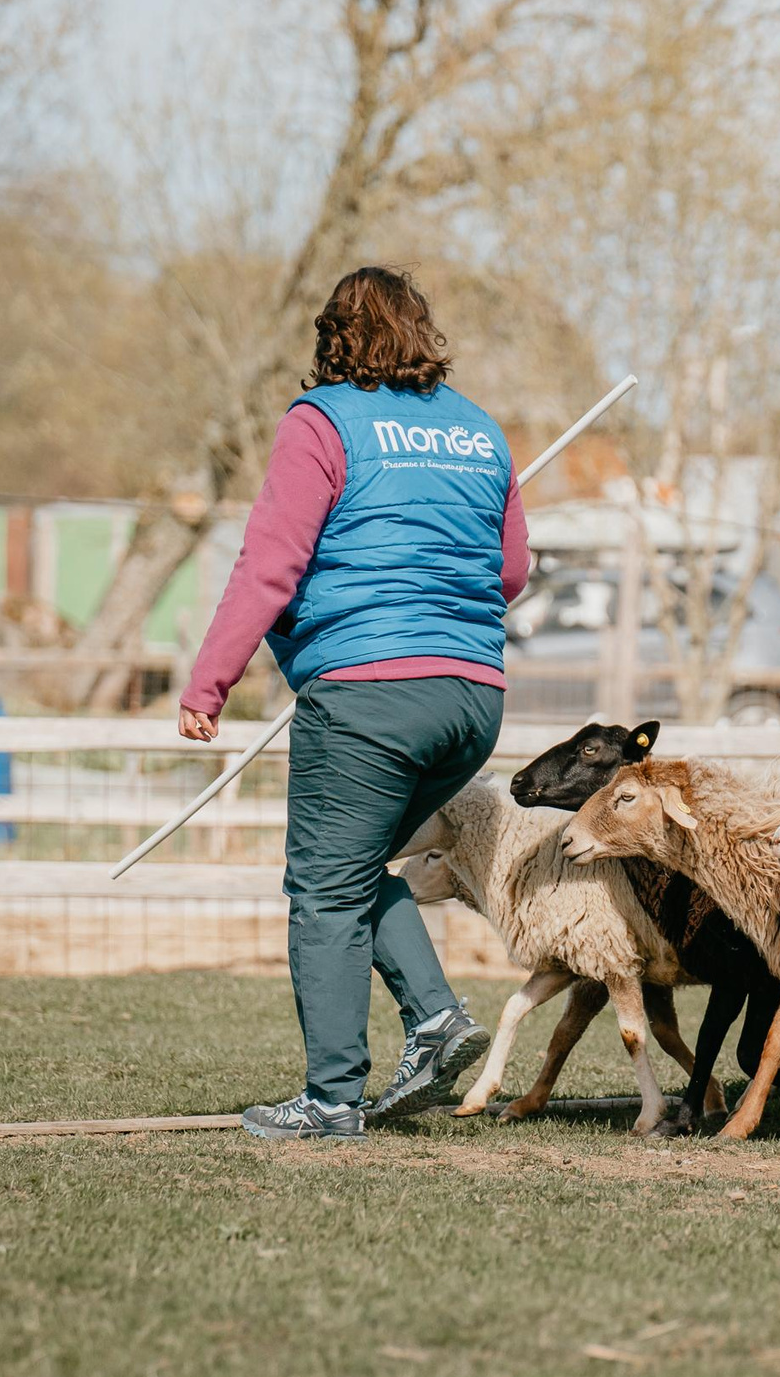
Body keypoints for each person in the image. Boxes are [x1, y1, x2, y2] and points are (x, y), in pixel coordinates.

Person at [179, 267, 527, 1139]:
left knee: (323, 889)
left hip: (370, 693)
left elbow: (270, 565)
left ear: (334, 336)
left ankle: (332, 1101)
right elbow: (512, 571)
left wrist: (209, 682)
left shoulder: (322, 422)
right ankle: (439, 1019)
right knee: (351, 865)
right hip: (473, 699)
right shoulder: (480, 430)